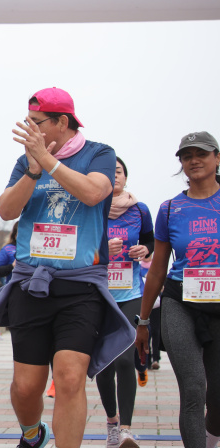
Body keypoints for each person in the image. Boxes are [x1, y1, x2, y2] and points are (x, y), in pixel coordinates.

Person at [0, 87, 135, 448]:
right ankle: (33, 433)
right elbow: (6, 210)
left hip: (81, 288)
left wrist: (50, 162)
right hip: (31, 285)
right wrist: (33, 170)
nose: (30, 129)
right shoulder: (28, 160)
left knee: (70, 378)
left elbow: (93, 193)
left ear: (62, 122)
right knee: (26, 388)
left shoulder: (99, 153)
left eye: (36, 123)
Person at [135, 131, 220, 448]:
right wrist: (143, 322)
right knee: (194, 387)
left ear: (217, 158)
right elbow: (157, 269)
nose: (194, 160)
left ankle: (211, 439)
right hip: (180, 301)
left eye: (201, 153)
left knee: (218, 397)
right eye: (187, 156)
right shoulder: (170, 209)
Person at [96, 156, 153, 448]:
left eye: (118, 171)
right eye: (109, 172)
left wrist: (145, 248)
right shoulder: (93, 207)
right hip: (99, 295)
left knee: (124, 361)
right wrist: (102, 250)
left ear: (125, 177)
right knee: (104, 365)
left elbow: (151, 241)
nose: (114, 176)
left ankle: (127, 430)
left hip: (130, 293)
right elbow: (81, 249)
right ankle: (112, 424)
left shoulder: (139, 210)